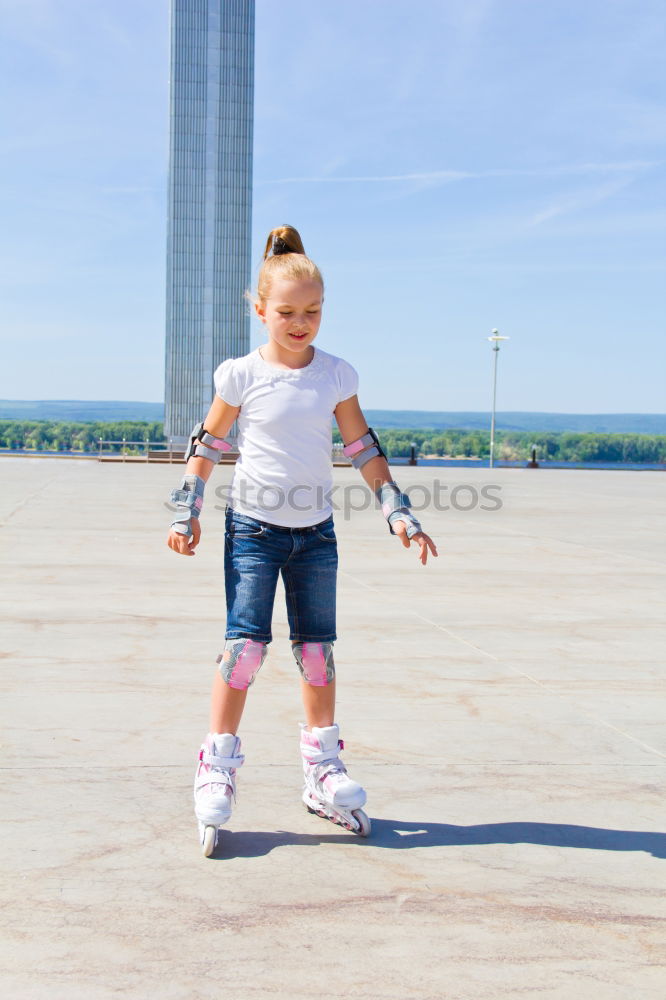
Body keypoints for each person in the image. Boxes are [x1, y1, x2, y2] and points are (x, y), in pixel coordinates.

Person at [167, 225, 438, 855]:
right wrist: (187, 512)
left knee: (318, 652)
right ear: (260, 309)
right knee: (245, 650)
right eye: (286, 311)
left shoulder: (336, 374)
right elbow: (207, 446)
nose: (300, 322)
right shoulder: (241, 374)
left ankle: (322, 771)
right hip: (254, 533)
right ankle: (217, 767)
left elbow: (362, 446)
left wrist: (398, 510)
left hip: (315, 534)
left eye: (312, 311)